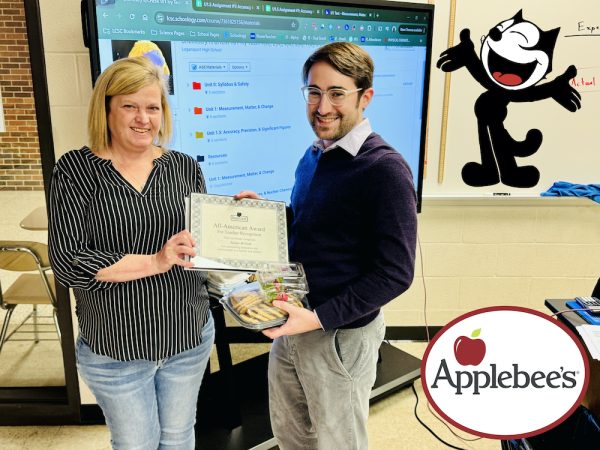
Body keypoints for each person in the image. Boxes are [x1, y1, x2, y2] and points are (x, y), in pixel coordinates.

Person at [236, 42, 417, 449]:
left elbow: (395, 273)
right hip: (291, 320)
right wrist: (267, 214)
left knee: (338, 442)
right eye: (314, 92)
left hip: (339, 337)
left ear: (365, 96)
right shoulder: (315, 154)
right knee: (292, 435)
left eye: (337, 93)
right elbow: (314, 223)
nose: (322, 106)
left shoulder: (385, 169)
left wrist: (317, 319)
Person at [48, 56, 214, 449]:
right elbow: (70, 263)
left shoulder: (183, 167)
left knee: (177, 439)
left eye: (152, 107)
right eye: (130, 106)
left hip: (187, 337)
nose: (144, 118)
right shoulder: (75, 170)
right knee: (136, 444)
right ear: (106, 109)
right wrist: (156, 261)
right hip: (116, 348)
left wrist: (239, 219)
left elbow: (202, 242)